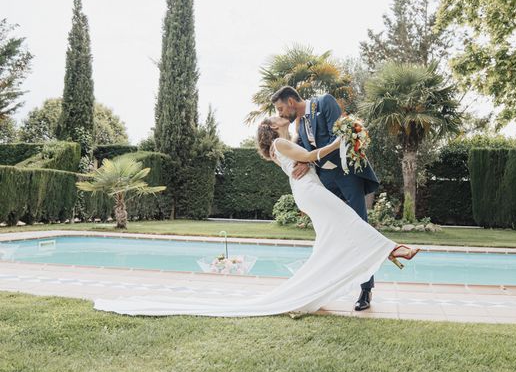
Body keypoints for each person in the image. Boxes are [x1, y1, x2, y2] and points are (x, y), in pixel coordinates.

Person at [92, 118, 417, 318]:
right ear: (271, 129)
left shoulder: (281, 145)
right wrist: (338, 142)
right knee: (347, 220)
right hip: (309, 192)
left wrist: (318, 154)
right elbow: (306, 157)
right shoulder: (280, 141)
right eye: (276, 118)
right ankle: (392, 249)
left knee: (330, 238)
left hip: (306, 191)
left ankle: (311, 295)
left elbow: (302, 159)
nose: (281, 117)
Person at [269, 86, 380, 311]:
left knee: (359, 226)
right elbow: (300, 151)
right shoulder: (298, 126)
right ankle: (325, 288)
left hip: (347, 176)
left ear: (291, 101)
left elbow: (336, 137)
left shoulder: (324, 102)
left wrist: (309, 158)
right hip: (325, 182)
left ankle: (366, 289)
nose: (280, 114)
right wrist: (304, 160)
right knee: (329, 233)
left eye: (281, 108)